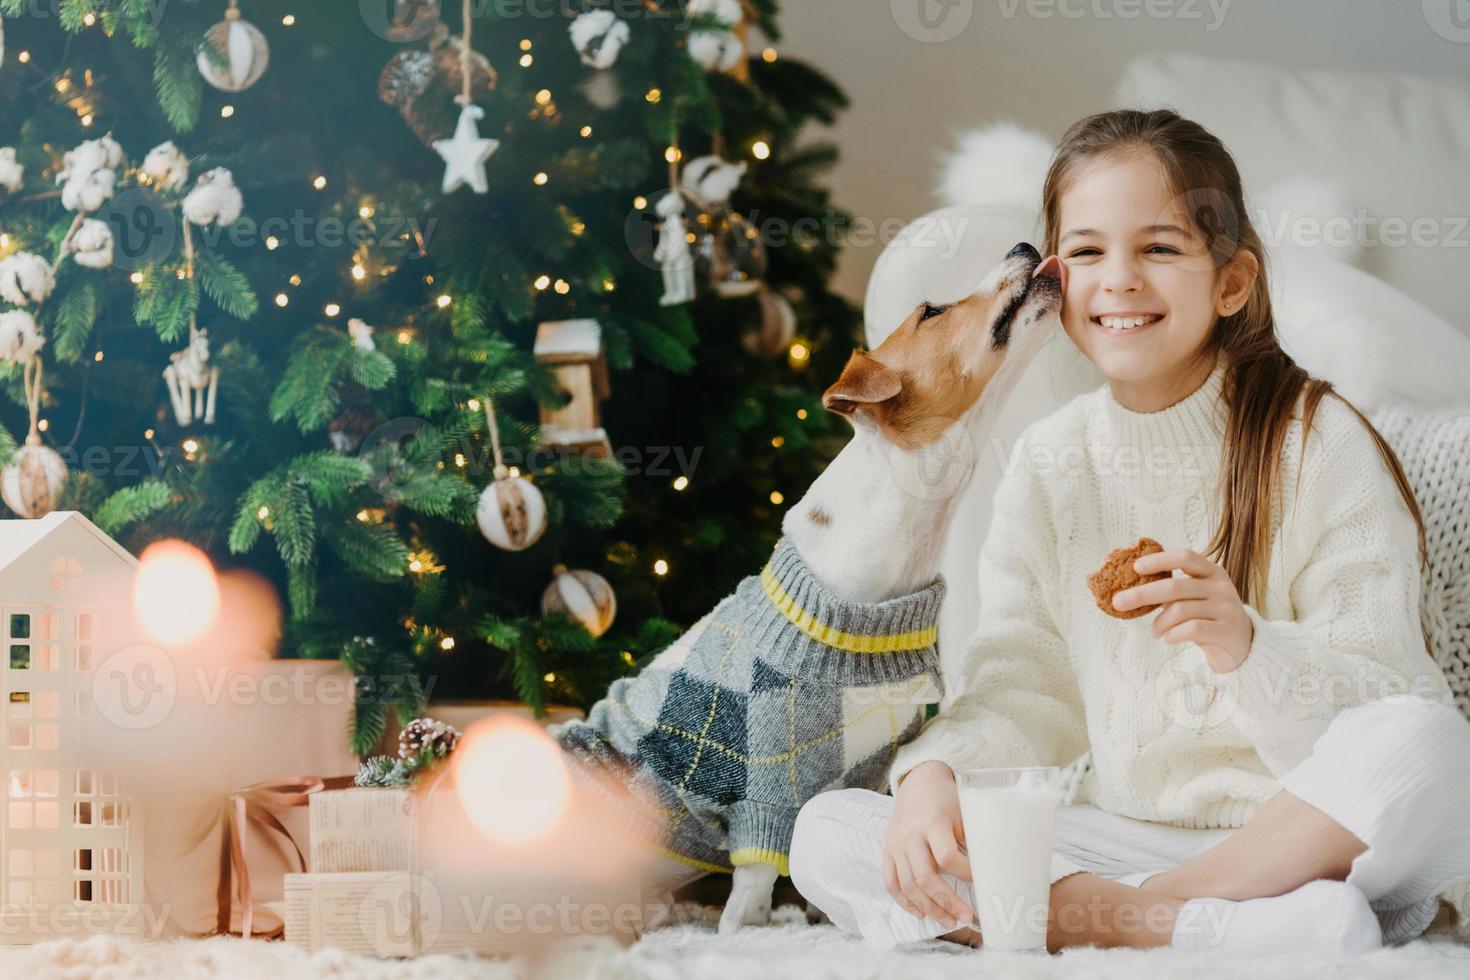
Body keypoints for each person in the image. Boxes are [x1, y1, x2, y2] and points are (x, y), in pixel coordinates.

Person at [788, 108, 1470, 955]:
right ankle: (1210, 930)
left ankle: (1146, 915)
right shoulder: (1051, 462)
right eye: (1085, 251)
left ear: (1231, 282)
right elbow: (1021, 687)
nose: (1119, 279)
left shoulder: (1321, 442)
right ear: (1055, 277)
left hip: (1302, 840)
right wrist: (933, 778)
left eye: (1159, 248)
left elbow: (1385, 699)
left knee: (1431, 742)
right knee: (828, 829)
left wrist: (1247, 647)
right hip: (1123, 837)